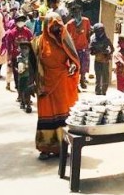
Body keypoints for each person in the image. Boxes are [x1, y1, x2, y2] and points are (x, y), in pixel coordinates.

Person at [32, 12, 80, 160]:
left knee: (62, 116)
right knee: (46, 117)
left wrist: (73, 66)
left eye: (58, 26)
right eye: (53, 27)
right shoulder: (37, 43)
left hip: (61, 84)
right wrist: (31, 84)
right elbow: (32, 65)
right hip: (45, 86)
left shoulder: (64, 41)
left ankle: (62, 147)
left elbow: (74, 59)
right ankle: (45, 148)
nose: (56, 30)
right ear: (46, 27)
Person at [4, 15, 34, 92]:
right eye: (19, 21)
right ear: (16, 22)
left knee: (27, 75)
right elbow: (9, 46)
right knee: (17, 74)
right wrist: (9, 59)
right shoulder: (11, 33)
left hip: (27, 57)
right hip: (15, 57)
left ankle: (26, 92)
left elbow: (32, 43)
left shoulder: (28, 32)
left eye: (22, 21)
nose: (21, 22)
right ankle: (19, 92)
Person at [66, 4, 91, 90]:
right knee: (75, 67)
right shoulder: (70, 24)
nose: (77, 13)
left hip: (84, 47)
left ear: (81, 12)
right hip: (74, 49)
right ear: (72, 13)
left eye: (78, 11)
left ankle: (82, 80)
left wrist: (87, 44)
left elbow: (88, 33)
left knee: (84, 66)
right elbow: (67, 37)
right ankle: (75, 85)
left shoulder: (86, 21)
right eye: (75, 12)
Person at [89, 23, 113, 95]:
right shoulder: (93, 39)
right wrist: (95, 51)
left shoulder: (106, 39)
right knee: (98, 76)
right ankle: (98, 91)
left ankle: (104, 91)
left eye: (101, 30)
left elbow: (112, 49)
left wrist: (107, 53)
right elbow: (91, 51)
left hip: (105, 60)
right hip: (97, 60)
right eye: (98, 31)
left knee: (105, 76)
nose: (100, 32)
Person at [16, 41, 34, 113]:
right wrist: (20, 68)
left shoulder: (31, 57)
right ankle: (23, 102)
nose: (24, 50)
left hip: (29, 77)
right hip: (22, 76)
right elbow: (19, 65)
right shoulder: (19, 57)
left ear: (29, 49)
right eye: (22, 48)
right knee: (22, 90)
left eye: (26, 48)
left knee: (28, 91)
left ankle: (28, 104)